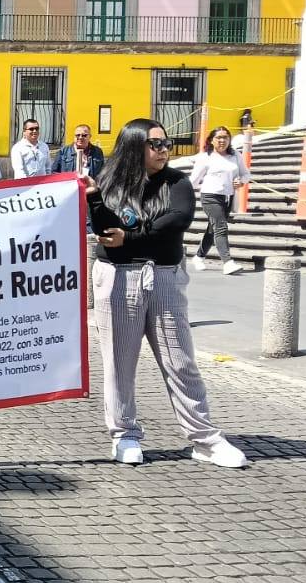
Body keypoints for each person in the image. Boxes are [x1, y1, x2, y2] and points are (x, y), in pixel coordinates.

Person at [87, 118, 248, 469]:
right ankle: (124, 433)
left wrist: (130, 237)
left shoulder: (177, 182)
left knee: (180, 360)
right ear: (133, 146)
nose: (163, 150)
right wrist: (94, 200)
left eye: (166, 143)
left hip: (163, 275)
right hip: (117, 276)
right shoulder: (108, 182)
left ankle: (204, 437)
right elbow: (104, 228)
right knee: (119, 361)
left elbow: (177, 219)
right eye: (155, 144)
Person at [190, 125, 251, 275]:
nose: (222, 140)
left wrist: (241, 181)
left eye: (225, 137)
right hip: (210, 196)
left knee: (213, 229)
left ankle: (199, 257)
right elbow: (193, 180)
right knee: (221, 227)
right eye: (218, 137)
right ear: (211, 140)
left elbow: (246, 174)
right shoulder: (205, 157)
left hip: (228, 197)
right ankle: (228, 262)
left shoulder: (235, 155)